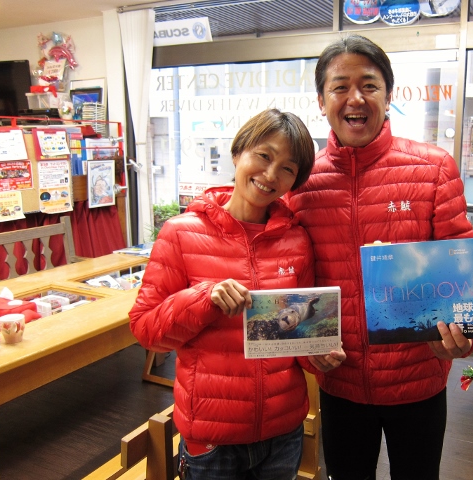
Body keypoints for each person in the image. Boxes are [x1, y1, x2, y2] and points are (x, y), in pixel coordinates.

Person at [287, 35, 473, 480]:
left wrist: (464, 335)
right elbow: (291, 280)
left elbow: (464, 271)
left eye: (369, 85)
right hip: (341, 380)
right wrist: (308, 350)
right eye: (340, 87)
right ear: (321, 101)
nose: (355, 98)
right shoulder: (302, 184)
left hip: (418, 378)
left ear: (388, 95)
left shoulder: (433, 169)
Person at [129, 108, 345, 480]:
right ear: (237, 152)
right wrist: (204, 297)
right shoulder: (180, 233)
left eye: (287, 168)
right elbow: (146, 331)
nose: (271, 175)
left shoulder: (296, 240)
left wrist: (318, 355)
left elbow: (299, 335)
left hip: (283, 432)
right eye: (263, 156)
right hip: (212, 438)